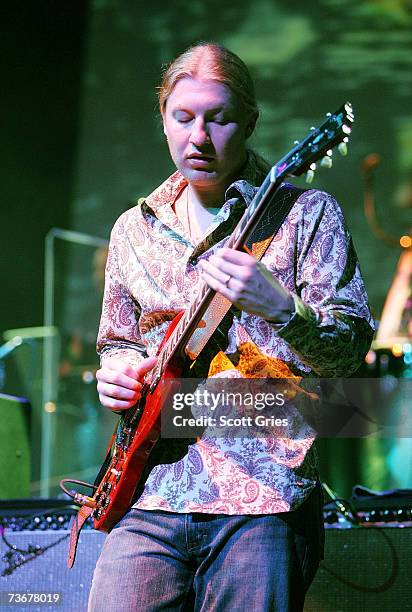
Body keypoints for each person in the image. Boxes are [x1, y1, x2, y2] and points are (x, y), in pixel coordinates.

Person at [88, 42, 374, 611]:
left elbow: (349, 353)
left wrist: (279, 306)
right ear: (164, 119)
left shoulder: (305, 214)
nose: (199, 137)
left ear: (248, 122)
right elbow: (118, 340)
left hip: (262, 497)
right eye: (183, 117)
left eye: (218, 119)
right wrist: (115, 372)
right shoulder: (133, 229)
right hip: (150, 490)